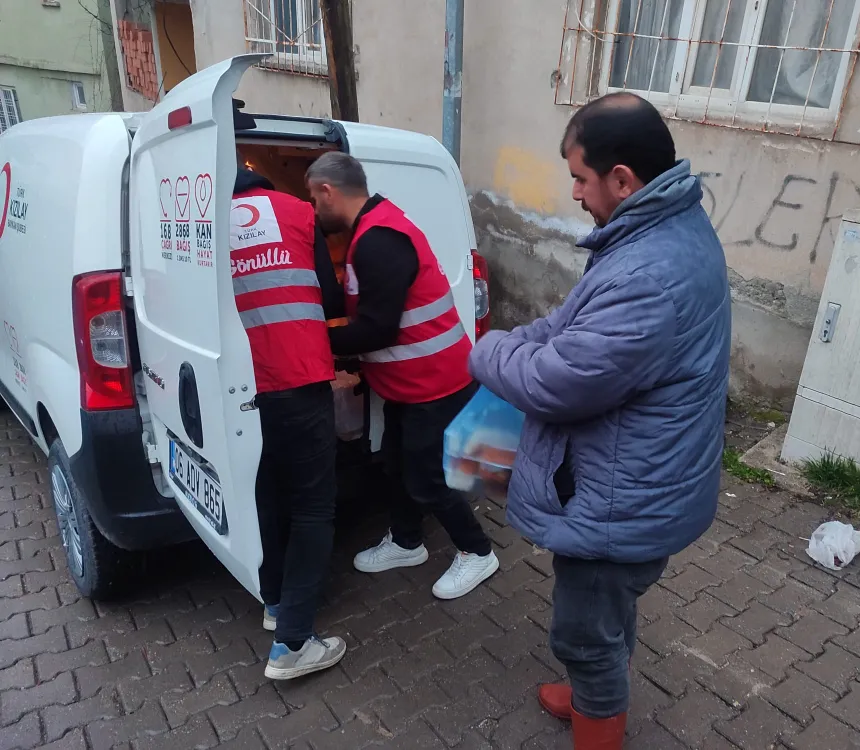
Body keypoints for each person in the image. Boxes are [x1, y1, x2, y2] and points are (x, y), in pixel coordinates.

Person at [467, 93, 731, 748]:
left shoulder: (650, 272)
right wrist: (522, 338)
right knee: (605, 612)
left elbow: (557, 383)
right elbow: (571, 326)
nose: (576, 194)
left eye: (581, 178)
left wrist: (487, 349)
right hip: (637, 478)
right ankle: (594, 691)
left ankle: (598, 714)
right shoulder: (661, 228)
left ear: (622, 179)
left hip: (621, 497)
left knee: (584, 630)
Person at [305, 152, 499, 600]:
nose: (313, 211)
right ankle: (408, 542)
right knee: (395, 466)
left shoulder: (379, 239)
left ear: (328, 192)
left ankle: (477, 551)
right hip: (409, 385)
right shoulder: (371, 229)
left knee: (428, 478)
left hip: (436, 383)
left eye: (313, 200)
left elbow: (378, 329)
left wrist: (311, 342)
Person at [230, 168, 346, 680]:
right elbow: (331, 298)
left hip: (236, 388)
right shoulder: (299, 212)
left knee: (265, 492)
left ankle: (275, 602)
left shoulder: (203, 224)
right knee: (313, 506)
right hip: (299, 378)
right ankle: (293, 643)